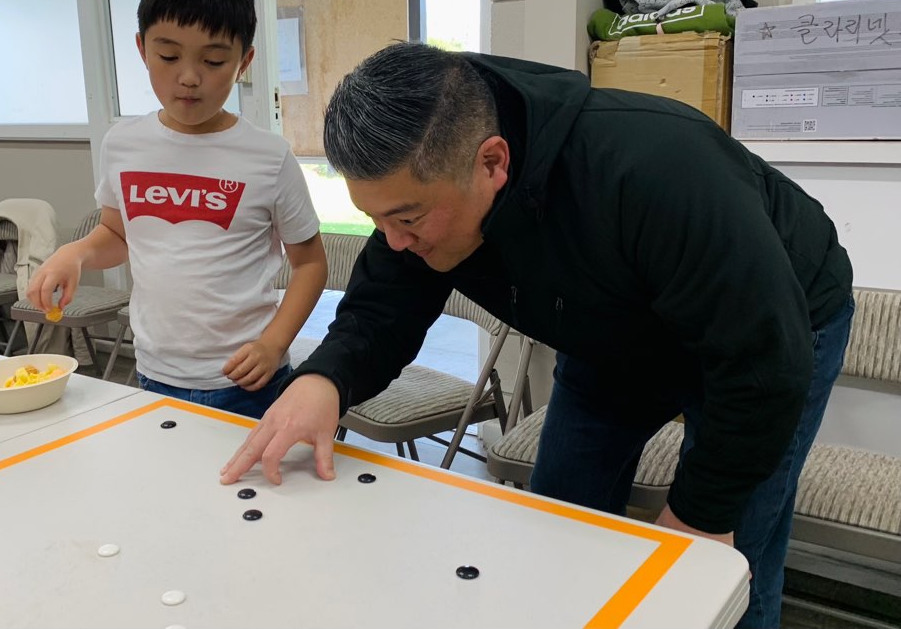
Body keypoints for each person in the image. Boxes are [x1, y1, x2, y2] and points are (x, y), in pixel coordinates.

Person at [219, 42, 853, 627]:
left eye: (407, 219)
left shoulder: (655, 169)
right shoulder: (423, 183)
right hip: (608, 335)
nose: (395, 241)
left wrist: (699, 516)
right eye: (376, 220)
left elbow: (763, 364)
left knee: (726, 566)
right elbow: (384, 305)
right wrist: (326, 380)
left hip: (773, 332)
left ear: (492, 162)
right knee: (559, 523)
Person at [28, 0, 326, 419]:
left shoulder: (268, 156)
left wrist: (273, 343)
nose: (189, 77)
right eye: (168, 56)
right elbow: (118, 233)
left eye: (213, 61)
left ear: (244, 62)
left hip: (247, 382)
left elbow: (310, 264)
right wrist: (76, 253)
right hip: (154, 373)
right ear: (142, 49)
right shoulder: (123, 144)